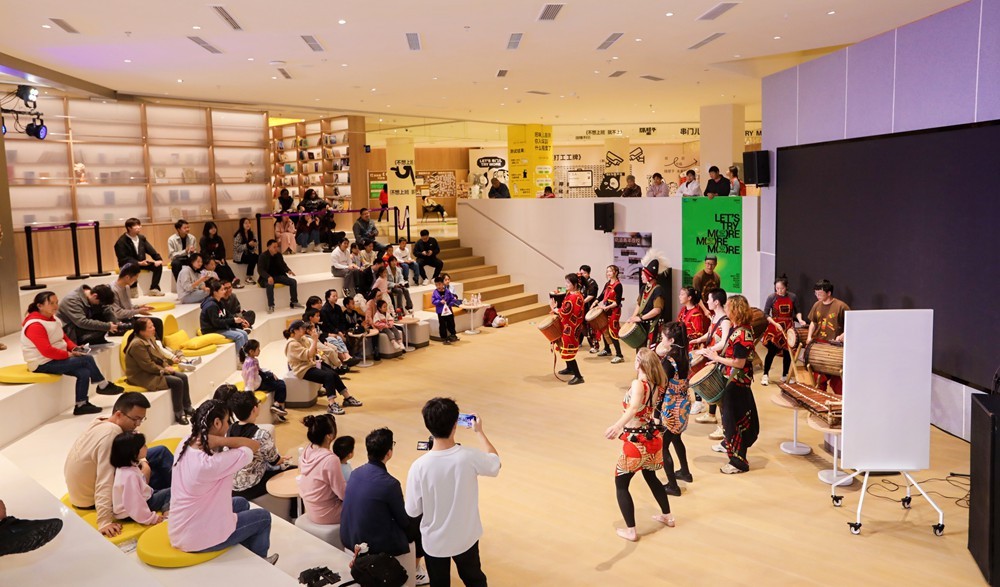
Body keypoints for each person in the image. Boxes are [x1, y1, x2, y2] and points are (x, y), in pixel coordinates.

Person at [168, 400, 278, 564]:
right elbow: (254, 445)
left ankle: (244, 547)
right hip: (196, 539)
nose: (229, 426)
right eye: (227, 421)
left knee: (241, 502)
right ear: (217, 423)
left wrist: (213, 440)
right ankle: (261, 563)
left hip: (179, 529)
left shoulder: (185, 443)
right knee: (263, 518)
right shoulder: (211, 464)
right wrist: (220, 441)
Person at [405, 398, 500, 587]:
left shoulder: (418, 467)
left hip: (434, 542)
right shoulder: (469, 456)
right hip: (466, 536)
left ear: (427, 425)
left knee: (439, 583)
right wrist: (479, 432)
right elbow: (495, 464)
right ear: (455, 424)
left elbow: (412, 511)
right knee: (474, 579)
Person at [65, 393, 172, 537]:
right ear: (119, 414)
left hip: (79, 493)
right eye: (135, 419)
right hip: (91, 499)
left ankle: (177, 490)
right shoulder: (110, 435)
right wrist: (104, 521)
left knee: (160, 452)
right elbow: (104, 479)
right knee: (158, 471)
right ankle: (179, 494)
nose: (138, 424)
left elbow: (135, 441)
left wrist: (143, 462)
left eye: (141, 419)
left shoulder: (103, 421)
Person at [341, 428, 428, 587]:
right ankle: (415, 570)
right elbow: (404, 521)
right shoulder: (390, 484)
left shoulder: (355, 473)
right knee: (420, 521)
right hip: (376, 544)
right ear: (389, 453)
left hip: (349, 535)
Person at [604, 347, 674, 541]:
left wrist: (617, 426)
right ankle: (668, 516)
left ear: (641, 364)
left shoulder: (638, 384)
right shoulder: (656, 384)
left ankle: (631, 531)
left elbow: (634, 408)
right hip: (652, 441)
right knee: (651, 477)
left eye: (637, 359)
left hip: (635, 443)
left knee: (621, 484)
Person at [22, 291, 123, 416]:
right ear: (40, 306)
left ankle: (81, 405)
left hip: (54, 359)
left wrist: (75, 348)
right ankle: (103, 385)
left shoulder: (54, 319)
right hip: (41, 363)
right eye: (51, 303)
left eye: (56, 302)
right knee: (87, 359)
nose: (55, 306)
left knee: (84, 372)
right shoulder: (35, 325)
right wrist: (69, 355)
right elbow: (46, 351)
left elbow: (64, 338)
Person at [703, 295, 761, 474]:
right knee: (730, 419)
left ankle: (738, 462)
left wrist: (717, 358)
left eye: (728, 307)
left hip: (737, 383)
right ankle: (729, 446)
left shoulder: (742, 334)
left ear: (735, 310)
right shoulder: (739, 328)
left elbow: (739, 363)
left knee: (733, 421)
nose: (726, 310)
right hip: (732, 380)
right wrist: (716, 360)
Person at [285, 320, 363, 415]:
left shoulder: (303, 339)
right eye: (302, 328)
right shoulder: (292, 344)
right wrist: (314, 340)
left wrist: (316, 347)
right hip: (302, 369)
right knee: (328, 376)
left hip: (311, 364)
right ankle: (332, 404)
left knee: (333, 373)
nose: (305, 329)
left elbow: (313, 352)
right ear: (295, 330)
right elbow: (308, 354)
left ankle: (347, 397)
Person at [125, 317, 193, 425]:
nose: (154, 328)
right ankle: (179, 413)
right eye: (150, 327)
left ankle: (187, 407)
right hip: (142, 375)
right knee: (177, 382)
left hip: (155, 370)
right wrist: (165, 370)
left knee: (183, 377)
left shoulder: (150, 338)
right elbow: (147, 366)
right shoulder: (137, 344)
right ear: (142, 331)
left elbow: (160, 357)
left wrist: (166, 366)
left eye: (153, 325)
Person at [227, 391, 293, 500]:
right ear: (254, 409)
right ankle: (294, 509)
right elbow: (274, 461)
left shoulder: (229, 430)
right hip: (250, 486)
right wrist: (281, 459)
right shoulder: (261, 435)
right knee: (292, 471)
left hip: (232, 486)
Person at [654, 322, 692, 496]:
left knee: (663, 445)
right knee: (676, 438)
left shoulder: (669, 361)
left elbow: (660, 387)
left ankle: (672, 486)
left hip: (671, 406)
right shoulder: (684, 354)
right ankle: (685, 472)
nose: (661, 340)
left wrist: (655, 413)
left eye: (663, 337)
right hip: (683, 403)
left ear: (671, 340)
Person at [690, 288, 731, 432]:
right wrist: (698, 340)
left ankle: (724, 426)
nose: (707, 302)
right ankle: (711, 414)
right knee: (710, 387)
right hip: (712, 355)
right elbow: (710, 334)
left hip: (719, 358)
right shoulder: (714, 317)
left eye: (709, 299)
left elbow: (724, 342)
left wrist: (707, 351)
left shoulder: (725, 321)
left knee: (719, 391)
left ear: (717, 302)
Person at [111, 431, 170, 526]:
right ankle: (167, 515)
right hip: (129, 513)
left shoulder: (126, 467)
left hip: (139, 501)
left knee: (166, 491)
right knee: (172, 492)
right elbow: (135, 503)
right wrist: (152, 518)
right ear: (134, 452)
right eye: (144, 446)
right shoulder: (129, 476)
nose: (147, 447)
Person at [299, 414, 348, 525]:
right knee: (366, 505)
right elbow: (343, 494)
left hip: (311, 509)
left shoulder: (307, 450)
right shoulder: (330, 459)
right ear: (329, 436)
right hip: (327, 514)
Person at [806, 279, 850, 394]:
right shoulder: (816, 305)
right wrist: (809, 336)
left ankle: (840, 401)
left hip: (834, 346)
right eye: (816, 293)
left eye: (820, 293)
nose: (817, 296)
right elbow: (813, 322)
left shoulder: (841, 306)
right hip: (819, 345)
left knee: (837, 379)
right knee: (819, 378)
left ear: (829, 293)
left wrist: (843, 335)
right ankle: (820, 398)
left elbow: (851, 324)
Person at [760, 276, 804, 386]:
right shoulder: (771, 297)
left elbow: (798, 311)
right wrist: (775, 324)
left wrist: (800, 320)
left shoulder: (793, 297)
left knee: (787, 352)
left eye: (782, 288)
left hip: (788, 327)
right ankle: (765, 374)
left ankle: (784, 375)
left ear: (786, 287)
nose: (779, 291)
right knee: (771, 351)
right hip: (775, 327)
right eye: (777, 288)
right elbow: (766, 314)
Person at [113, 217, 165, 297]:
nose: (139, 227)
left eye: (139, 225)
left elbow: (150, 249)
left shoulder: (141, 238)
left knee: (158, 266)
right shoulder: (121, 241)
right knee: (132, 266)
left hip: (142, 263)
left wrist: (158, 259)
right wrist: (138, 263)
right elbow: (123, 258)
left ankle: (154, 288)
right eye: (135, 226)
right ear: (129, 228)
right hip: (128, 264)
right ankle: (132, 289)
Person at [200, 279, 250, 359]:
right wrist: (233, 320)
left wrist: (239, 321)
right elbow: (216, 322)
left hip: (220, 328)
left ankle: (247, 357)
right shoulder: (211, 305)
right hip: (212, 330)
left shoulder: (219, 302)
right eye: (222, 290)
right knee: (239, 336)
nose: (224, 291)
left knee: (244, 333)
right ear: (215, 292)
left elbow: (227, 314)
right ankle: (241, 360)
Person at [109, 264, 162, 339]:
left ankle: (158, 345)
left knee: (157, 322)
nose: (136, 280)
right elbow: (118, 313)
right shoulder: (112, 290)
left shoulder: (126, 286)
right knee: (148, 328)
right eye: (135, 278)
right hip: (119, 323)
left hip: (128, 318)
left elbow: (127, 306)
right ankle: (154, 345)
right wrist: (138, 311)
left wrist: (138, 307)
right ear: (127, 277)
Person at [551, 273, 586, 385]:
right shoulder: (574, 294)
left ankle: (578, 376)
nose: (566, 284)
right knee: (563, 347)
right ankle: (570, 368)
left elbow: (566, 312)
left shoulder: (574, 297)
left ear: (575, 284)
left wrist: (554, 309)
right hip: (569, 326)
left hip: (570, 328)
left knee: (567, 350)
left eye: (568, 282)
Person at [241, 340, 288, 420]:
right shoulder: (250, 363)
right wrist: (250, 394)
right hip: (257, 385)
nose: (259, 350)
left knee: (275, 379)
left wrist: (270, 373)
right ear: (251, 351)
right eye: (258, 349)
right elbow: (250, 379)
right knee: (281, 385)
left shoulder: (252, 360)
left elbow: (259, 370)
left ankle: (278, 405)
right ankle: (277, 405)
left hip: (259, 379)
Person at [626, 258, 665, 348]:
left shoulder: (658, 290)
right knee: (640, 347)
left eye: (643, 275)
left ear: (649, 276)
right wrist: (633, 317)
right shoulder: (644, 288)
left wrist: (640, 318)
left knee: (651, 349)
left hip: (653, 324)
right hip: (642, 322)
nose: (641, 277)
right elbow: (639, 304)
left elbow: (657, 310)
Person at [258, 239, 302, 313]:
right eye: (274, 247)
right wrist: (268, 277)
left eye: (277, 247)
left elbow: (283, 264)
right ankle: (271, 306)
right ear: (268, 247)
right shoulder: (263, 256)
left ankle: (294, 302)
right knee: (270, 285)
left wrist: (288, 270)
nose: (276, 249)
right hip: (267, 278)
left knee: (293, 282)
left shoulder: (278, 255)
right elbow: (260, 270)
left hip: (278, 276)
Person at [594, 265, 624, 363]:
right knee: (604, 327)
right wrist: (595, 302)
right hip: (606, 309)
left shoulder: (618, 285)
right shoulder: (607, 284)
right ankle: (607, 349)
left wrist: (607, 307)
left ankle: (619, 355)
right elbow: (602, 295)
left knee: (612, 331)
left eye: (610, 271)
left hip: (614, 311)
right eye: (607, 271)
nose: (608, 273)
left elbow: (617, 302)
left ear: (616, 272)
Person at [198, 221, 238, 286]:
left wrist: (222, 258)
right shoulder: (203, 239)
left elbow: (222, 249)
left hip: (218, 257)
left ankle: (233, 279)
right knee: (219, 267)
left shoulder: (218, 238)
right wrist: (213, 260)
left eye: (214, 228)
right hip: (208, 259)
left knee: (224, 264)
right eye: (211, 228)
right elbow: (204, 253)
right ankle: (227, 282)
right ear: (207, 229)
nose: (213, 229)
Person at [676, 287, 709, 352]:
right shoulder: (683, 309)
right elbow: (677, 323)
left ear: (689, 297)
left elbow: (698, 333)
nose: (679, 296)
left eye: (682, 294)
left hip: (691, 346)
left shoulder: (696, 314)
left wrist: (685, 336)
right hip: (682, 342)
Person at [431, 276, 461, 344]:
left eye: (439, 284)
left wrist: (449, 304)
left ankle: (453, 335)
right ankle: (444, 338)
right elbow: (433, 301)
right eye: (436, 285)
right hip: (440, 311)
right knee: (442, 324)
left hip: (448, 310)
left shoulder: (447, 291)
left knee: (451, 322)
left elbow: (452, 299)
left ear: (443, 284)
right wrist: (439, 302)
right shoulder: (435, 292)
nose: (438, 286)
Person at [167, 219, 198, 283]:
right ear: (178, 229)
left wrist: (193, 251)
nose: (187, 229)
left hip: (189, 258)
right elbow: (171, 255)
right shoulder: (171, 239)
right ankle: (180, 284)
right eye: (185, 228)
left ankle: (197, 283)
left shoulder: (192, 238)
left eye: (188, 227)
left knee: (198, 261)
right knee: (175, 264)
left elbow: (195, 251)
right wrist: (184, 251)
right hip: (178, 259)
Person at [578, 265, 600, 352]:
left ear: (588, 273)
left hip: (589, 307)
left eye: (584, 273)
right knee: (580, 325)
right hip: (582, 308)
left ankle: (594, 346)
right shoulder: (580, 283)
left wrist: (582, 302)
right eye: (581, 273)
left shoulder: (592, 283)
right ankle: (578, 342)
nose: (582, 275)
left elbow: (592, 295)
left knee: (590, 328)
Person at [232, 217, 259, 285]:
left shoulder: (252, 233)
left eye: (249, 223)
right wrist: (247, 245)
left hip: (249, 253)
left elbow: (256, 246)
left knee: (259, 257)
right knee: (252, 258)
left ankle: (262, 276)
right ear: (242, 224)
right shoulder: (239, 235)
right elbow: (237, 248)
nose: (248, 224)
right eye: (246, 223)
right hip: (239, 256)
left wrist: (254, 245)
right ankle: (248, 278)